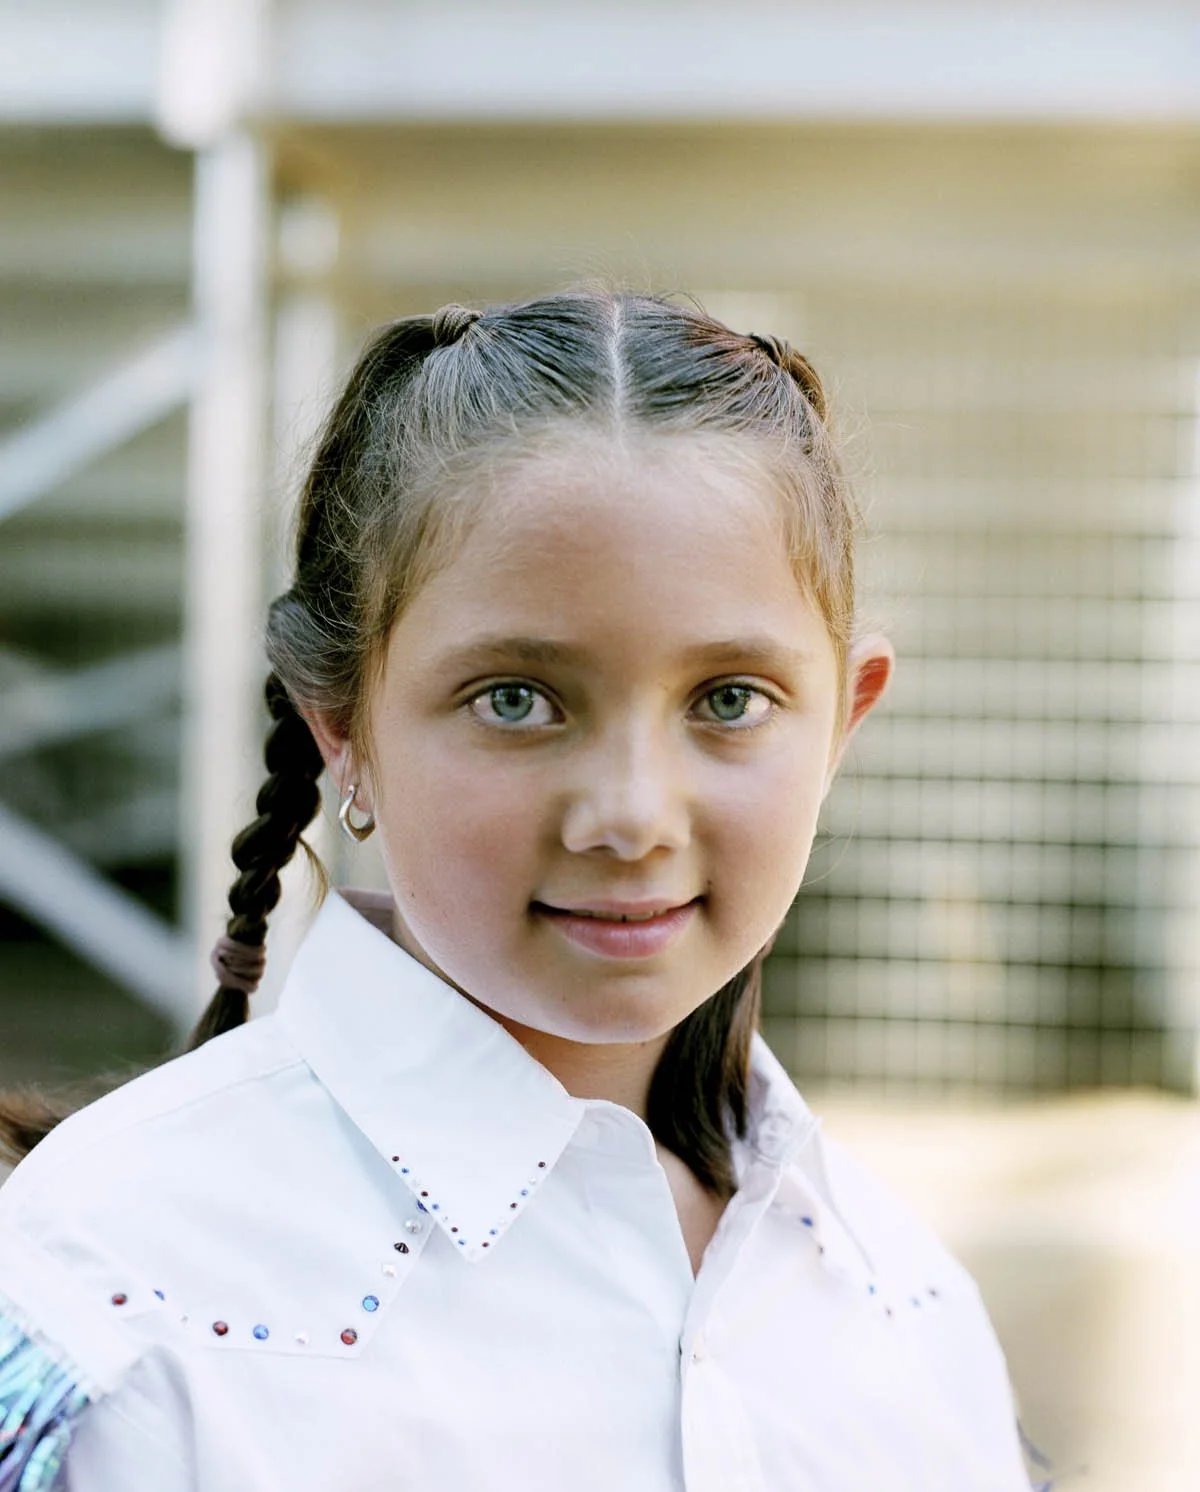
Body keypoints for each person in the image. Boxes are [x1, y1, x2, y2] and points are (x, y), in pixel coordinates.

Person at [0, 291, 1039, 1491]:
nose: (633, 816)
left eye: (729, 700)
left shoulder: (902, 1302)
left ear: (843, 721)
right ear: (341, 729)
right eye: (516, 699)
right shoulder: (115, 1291)